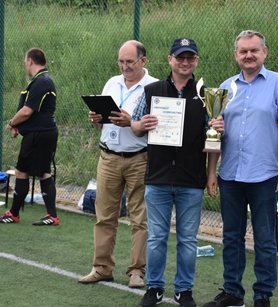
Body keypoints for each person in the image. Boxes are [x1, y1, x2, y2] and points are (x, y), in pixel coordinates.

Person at [204, 30, 278, 307]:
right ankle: (232, 292)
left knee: (265, 239)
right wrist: (211, 171)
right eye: (243, 51)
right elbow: (216, 132)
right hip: (230, 173)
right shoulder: (224, 87)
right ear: (236, 55)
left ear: (264, 52)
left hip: (265, 174)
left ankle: (262, 295)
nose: (249, 55)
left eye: (254, 50)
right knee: (231, 236)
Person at [131, 38, 223, 307]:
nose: (185, 62)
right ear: (170, 59)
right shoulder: (152, 91)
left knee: (188, 240)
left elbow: (213, 140)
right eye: (180, 57)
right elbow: (135, 126)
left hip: (191, 180)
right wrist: (141, 124)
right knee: (157, 237)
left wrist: (211, 174)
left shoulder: (208, 94)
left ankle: (184, 290)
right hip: (158, 177)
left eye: (190, 58)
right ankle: (155, 288)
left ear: (196, 61)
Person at [78, 40, 158, 288]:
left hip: (139, 158)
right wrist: (96, 119)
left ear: (143, 61)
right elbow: (103, 124)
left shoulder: (154, 87)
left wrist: (130, 121)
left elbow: (156, 127)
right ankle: (102, 267)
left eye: (130, 62)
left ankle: (136, 271)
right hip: (109, 157)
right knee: (104, 217)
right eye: (121, 62)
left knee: (140, 219)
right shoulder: (112, 83)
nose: (124, 67)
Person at [0, 48, 59, 226]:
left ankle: (14, 213)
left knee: (22, 171)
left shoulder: (42, 81)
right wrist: (18, 125)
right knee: (42, 172)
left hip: (39, 135)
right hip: (40, 133)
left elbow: (27, 111)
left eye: (26, 61)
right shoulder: (40, 81)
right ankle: (51, 215)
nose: (25, 64)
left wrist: (12, 123)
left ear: (31, 61)